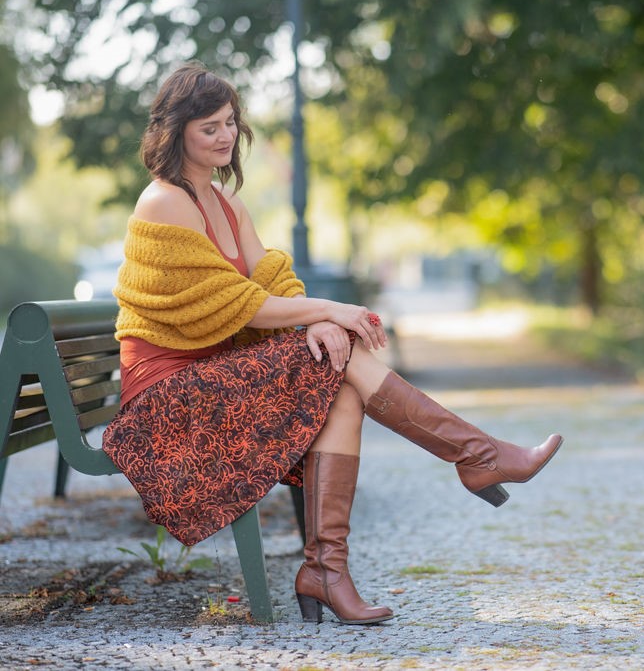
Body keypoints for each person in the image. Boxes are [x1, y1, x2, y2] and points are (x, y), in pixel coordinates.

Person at [102, 62, 563, 626]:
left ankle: (326, 569)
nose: (225, 136)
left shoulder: (225, 201)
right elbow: (232, 301)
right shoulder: (163, 202)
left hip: (212, 381)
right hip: (166, 399)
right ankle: (478, 457)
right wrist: (326, 311)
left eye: (230, 122)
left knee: (339, 377)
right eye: (209, 128)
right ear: (176, 133)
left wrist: (316, 324)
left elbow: (267, 281)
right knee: (337, 356)